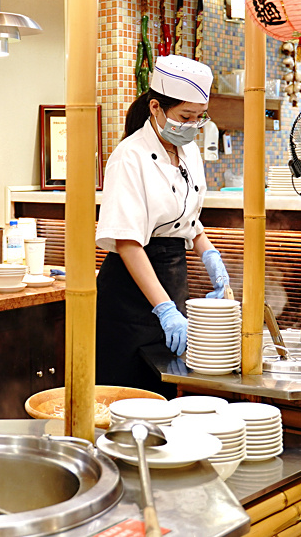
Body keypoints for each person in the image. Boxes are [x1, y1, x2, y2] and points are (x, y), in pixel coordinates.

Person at [95, 55, 232, 399]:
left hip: (172, 282)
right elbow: (128, 242)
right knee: (127, 398)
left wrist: (210, 256)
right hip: (129, 296)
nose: (193, 125)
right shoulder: (129, 157)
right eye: (186, 117)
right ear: (155, 107)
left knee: (165, 395)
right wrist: (165, 309)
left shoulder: (189, 152)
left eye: (200, 117)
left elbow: (186, 219)